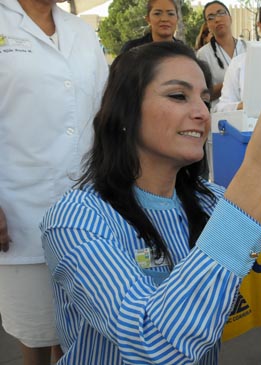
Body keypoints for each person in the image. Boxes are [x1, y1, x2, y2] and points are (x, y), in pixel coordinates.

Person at [40, 41, 261, 365]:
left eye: (205, 99)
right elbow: (152, 344)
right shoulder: (76, 220)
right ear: (124, 111)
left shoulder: (207, 198)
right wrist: (260, 169)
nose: (202, 112)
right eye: (178, 96)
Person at [0, 0, 109, 364]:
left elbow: (103, 112)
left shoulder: (80, 32)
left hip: (86, 212)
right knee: (34, 332)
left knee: (80, 333)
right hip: (19, 211)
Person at [197, 1, 247, 106]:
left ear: (230, 18)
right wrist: (230, 81)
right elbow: (202, 94)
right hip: (220, 115)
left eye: (221, 13)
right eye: (211, 17)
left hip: (249, 113)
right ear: (208, 25)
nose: (217, 19)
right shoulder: (203, 54)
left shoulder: (247, 47)